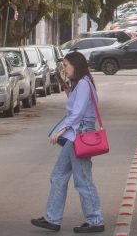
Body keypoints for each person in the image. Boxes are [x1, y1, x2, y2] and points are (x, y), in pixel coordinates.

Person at [31, 51, 105, 233]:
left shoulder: (84, 84)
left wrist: (61, 130)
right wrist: (67, 90)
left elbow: (77, 113)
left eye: (66, 65)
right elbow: (77, 106)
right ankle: (52, 219)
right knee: (58, 175)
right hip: (76, 135)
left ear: (76, 65)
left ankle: (95, 220)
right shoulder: (81, 84)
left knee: (83, 179)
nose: (64, 69)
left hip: (79, 134)